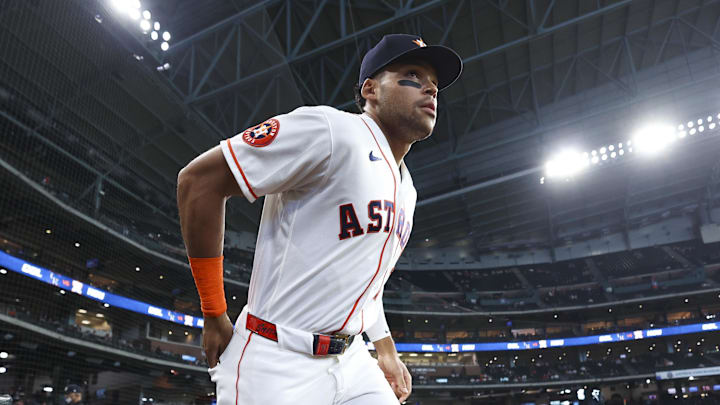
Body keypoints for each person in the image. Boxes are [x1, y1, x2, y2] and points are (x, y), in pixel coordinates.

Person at [177, 33, 462, 404]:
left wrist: (386, 349)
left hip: (352, 359)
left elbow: (365, 284)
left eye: (435, 86)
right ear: (371, 89)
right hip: (277, 359)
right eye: (411, 76)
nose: (429, 90)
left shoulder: (407, 189)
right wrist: (214, 311)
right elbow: (198, 183)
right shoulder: (330, 130)